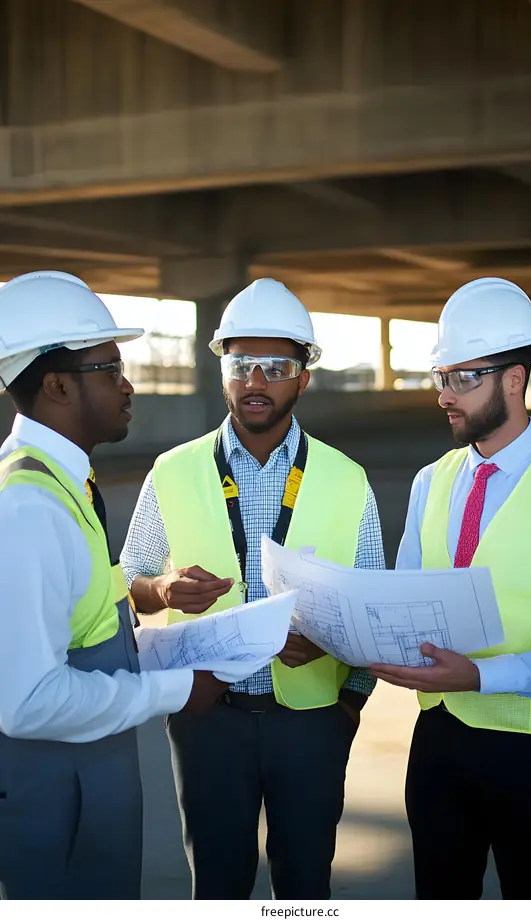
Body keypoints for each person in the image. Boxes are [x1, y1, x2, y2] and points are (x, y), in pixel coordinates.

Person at [121, 278, 386, 900]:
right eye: (241, 364)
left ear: (304, 377)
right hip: (207, 720)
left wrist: (348, 704)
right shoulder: (174, 470)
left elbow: (372, 607)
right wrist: (161, 588)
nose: (256, 379)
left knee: (305, 890)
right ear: (223, 372)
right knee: (216, 886)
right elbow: (130, 582)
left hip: (313, 723)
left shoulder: (348, 479)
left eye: (277, 365)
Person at [0, 271, 232, 901]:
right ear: (55, 385)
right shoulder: (29, 507)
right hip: (57, 801)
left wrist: (150, 592)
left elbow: (77, 606)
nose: (127, 384)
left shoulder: (63, 479)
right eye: (108, 369)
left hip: (86, 783)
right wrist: (175, 690)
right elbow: (25, 702)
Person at [371, 277, 531, 900]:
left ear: (515, 379)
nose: (445, 395)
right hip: (439, 740)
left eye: (464, 378)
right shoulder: (430, 481)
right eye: (442, 376)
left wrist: (478, 676)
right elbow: (403, 604)